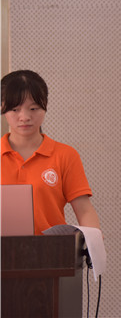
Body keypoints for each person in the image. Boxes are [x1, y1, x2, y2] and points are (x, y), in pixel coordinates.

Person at [1, 70, 101, 235]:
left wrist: (94, 239)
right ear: (3, 108)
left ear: (45, 106)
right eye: (15, 109)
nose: (24, 117)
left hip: (52, 249)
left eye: (33, 108)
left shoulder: (65, 155)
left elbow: (84, 210)